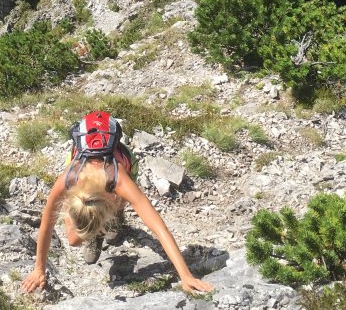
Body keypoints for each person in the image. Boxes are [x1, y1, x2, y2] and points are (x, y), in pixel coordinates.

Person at [21, 111, 213, 295]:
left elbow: (159, 228)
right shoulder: (67, 180)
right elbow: (46, 225)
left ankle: (117, 217)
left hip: (123, 162)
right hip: (86, 183)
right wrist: (39, 269)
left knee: (120, 202)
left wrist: (186, 275)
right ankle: (95, 234)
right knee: (74, 240)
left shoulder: (120, 180)